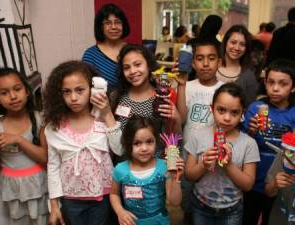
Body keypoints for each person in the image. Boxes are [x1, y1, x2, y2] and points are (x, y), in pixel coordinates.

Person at [43, 61, 123, 225]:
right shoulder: (54, 128)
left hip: (103, 195)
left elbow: (119, 149)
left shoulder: (101, 120)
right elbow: (53, 166)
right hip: (71, 198)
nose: (73, 97)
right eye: (66, 92)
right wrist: (54, 205)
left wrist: (107, 113)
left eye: (80, 90)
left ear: (92, 90)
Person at [0, 68, 48, 224]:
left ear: (26, 91)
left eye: (17, 89)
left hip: (39, 188)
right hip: (14, 193)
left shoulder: (39, 119)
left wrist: (18, 140)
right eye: (4, 93)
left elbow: (45, 158)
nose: (12, 96)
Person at [185, 82, 260, 225]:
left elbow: (248, 185)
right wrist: (203, 164)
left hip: (232, 209)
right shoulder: (198, 136)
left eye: (234, 112)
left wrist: (229, 165)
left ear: (242, 113)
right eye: (221, 110)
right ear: (211, 109)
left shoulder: (249, 144)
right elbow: (188, 175)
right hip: (201, 205)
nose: (227, 118)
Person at [242, 59, 295, 225]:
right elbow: (242, 142)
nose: (275, 88)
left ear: (294, 87)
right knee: (248, 217)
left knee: (273, 218)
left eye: (283, 84)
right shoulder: (255, 108)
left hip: (278, 179)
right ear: (265, 82)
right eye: (271, 82)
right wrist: (251, 131)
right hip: (253, 176)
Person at [176, 38, 224, 224]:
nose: (205, 64)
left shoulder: (224, 89)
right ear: (193, 62)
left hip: (213, 152)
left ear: (219, 62)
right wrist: (181, 85)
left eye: (211, 58)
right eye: (200, 58)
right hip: (188, 152)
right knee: (186, 195)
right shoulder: (187, 86)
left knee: (209, 197)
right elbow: (181, 119)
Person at [110, 115, 183, 225]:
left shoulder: (163, 166)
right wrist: (120, 212)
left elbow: (175, 202)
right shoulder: (120, 169)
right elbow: (114, 194)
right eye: (137, 143)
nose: (144, 148)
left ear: (156, 142)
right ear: (127, 144)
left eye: (149, 142)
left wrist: (176, 177)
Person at [108, 44, 181, 133]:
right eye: (126, 68)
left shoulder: (161, 98)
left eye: (137, 64)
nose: (132, 71)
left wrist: (176, 119)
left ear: (149, 65)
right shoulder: (116, 96)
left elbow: (172, 137)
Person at [82, 3, 130, 90]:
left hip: (134, 102)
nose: (114, 27)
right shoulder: (91, 55)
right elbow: (86, 86)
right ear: (100, 27)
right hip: (102, 102)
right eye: (108, 23)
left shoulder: (133, 51)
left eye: (118, 22)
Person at [217, 25, 259, 105]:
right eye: (233, 42)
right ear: (225, 42)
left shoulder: (248, 76)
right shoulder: (210, 67)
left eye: (242, 44)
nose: (237, 48)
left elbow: (249, 108)